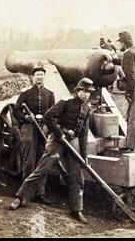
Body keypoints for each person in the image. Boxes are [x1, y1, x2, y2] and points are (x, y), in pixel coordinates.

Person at [10, 78, 95, 224]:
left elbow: (84, 134)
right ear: (78, 90)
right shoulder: (66, 101)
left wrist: (84, 155)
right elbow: (49, 116)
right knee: (43, 169)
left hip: (72, 143)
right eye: (84, 91)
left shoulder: (86, 109)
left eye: (89, 92)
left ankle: (77, 209)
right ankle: (20, 197)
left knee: (78, 176)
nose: (86, 94)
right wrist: (59, 133)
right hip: (57, 141)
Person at [13, 65, 55, 185]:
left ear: (44, 76)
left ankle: (40, 192)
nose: (39, 77)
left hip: (44, 128)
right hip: (29, 127)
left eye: (41, 74)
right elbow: (16, 111)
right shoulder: (26, 93)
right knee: (29, 159)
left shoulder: (50, 94)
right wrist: (26, 117)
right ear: (33, 77)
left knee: (43, 160)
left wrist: (49, 128)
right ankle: (26, 191)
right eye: (37, 75)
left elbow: (53, 114)